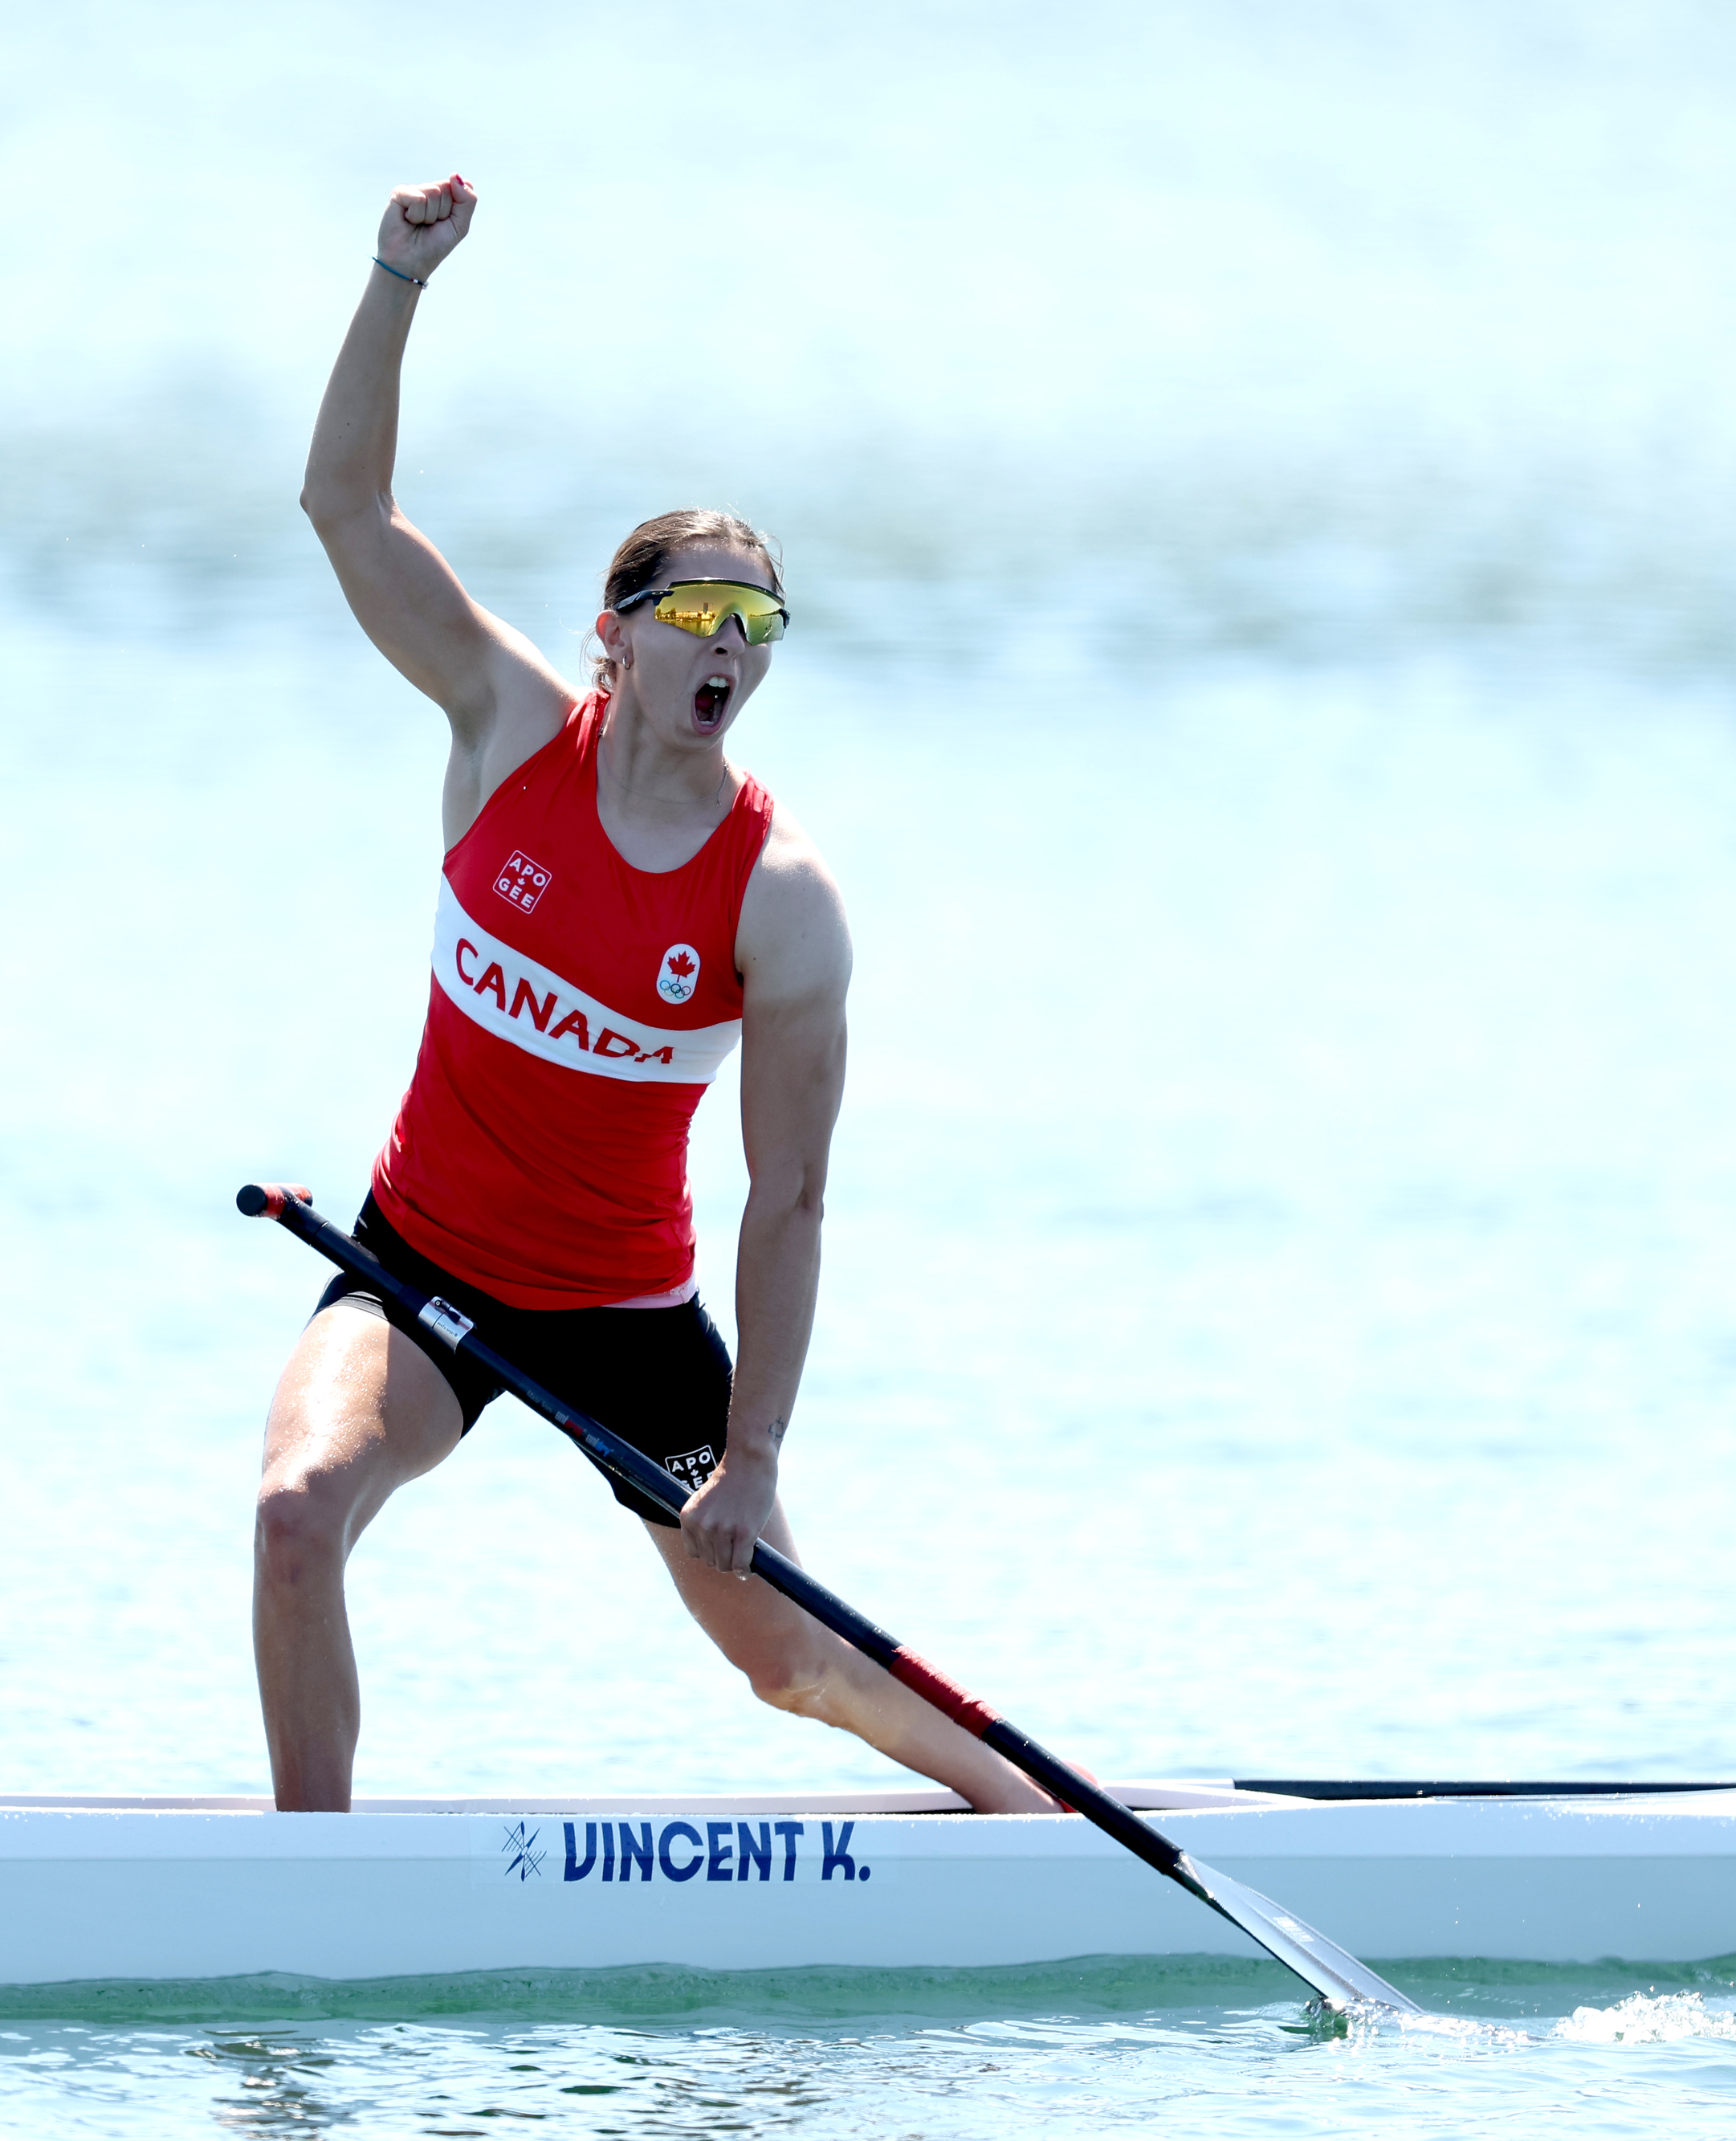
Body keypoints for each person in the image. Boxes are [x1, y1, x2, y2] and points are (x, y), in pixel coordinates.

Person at [255, 175, 1049, 1817]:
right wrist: (396, 279)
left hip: (627, 1327)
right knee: (293, 1512)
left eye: (754, 623)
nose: (728, 644)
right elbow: (344, 504)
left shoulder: (781, 900)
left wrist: (750, 1458)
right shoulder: (496, 725)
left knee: (788, 1662)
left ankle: (1032, 1823)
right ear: (613, 635)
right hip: (419, 1272)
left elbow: (791, 1201)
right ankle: (308, 1893)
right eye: (694, 610)